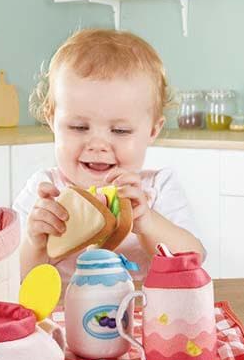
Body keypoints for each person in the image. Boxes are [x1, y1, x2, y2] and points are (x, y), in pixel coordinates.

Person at [13, 28, 204, 283]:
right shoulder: (45, 194)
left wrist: (148, 223)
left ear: (152, 130)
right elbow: (10, 279)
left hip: (144, 316)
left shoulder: (156, 190)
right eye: (79, 127)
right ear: (51, 121)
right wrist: (34, 243)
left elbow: (194, 260)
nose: (98, 145)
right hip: (64, 319)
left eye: (120, 130)